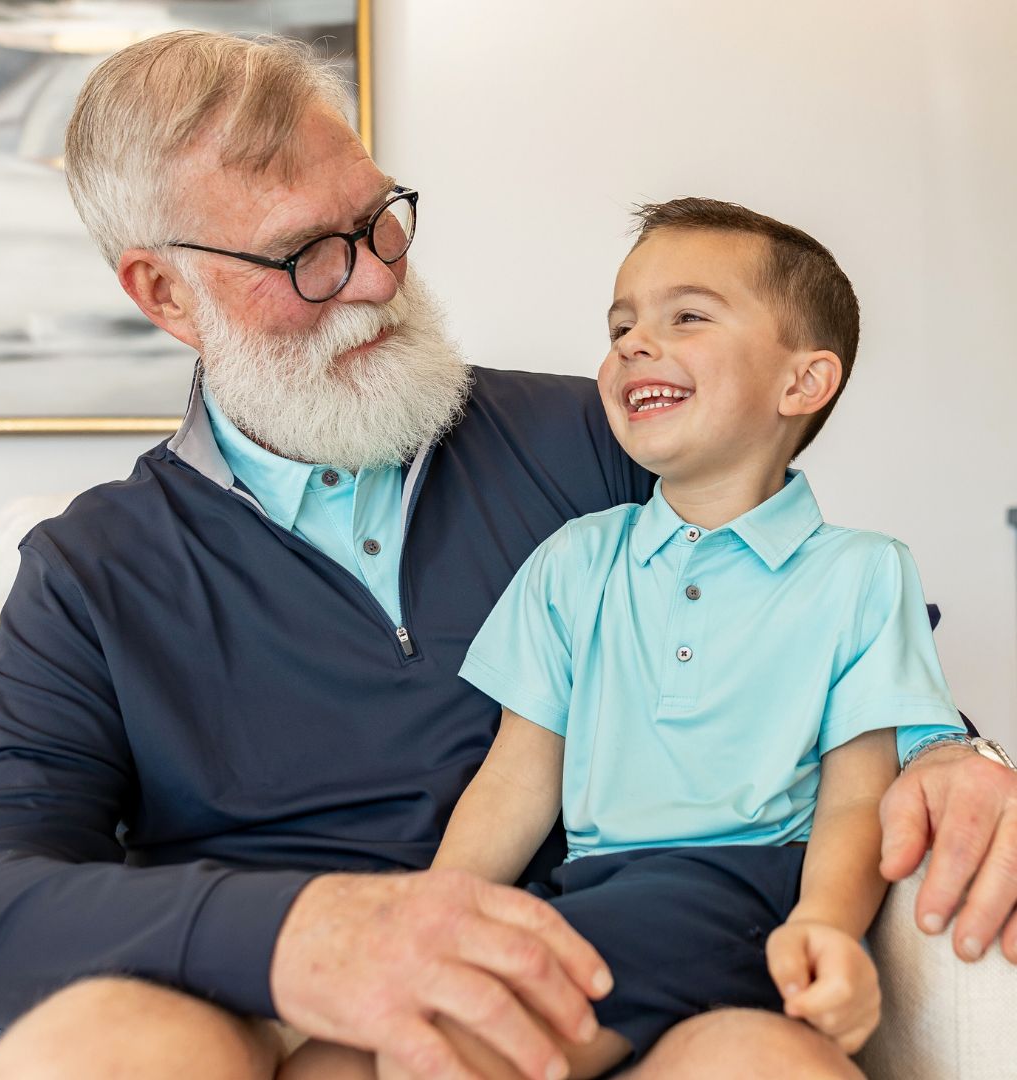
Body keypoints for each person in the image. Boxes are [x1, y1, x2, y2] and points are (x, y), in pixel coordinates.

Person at [0, 30, 1014, 1080]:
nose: (371, 280)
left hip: (603, 979)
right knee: (112, 1054)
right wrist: (297, 938)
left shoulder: (599, 441)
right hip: (259, 1013)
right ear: (168, 294)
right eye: (307, 254)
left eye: (380, 221)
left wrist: (957, 763)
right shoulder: (93, 567)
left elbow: (831, 655)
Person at [265, 199, 968, 1080]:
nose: (635, 342)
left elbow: (858, 798)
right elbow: (517, 779)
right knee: (330, 1060)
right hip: (589, 897)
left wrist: (826, 926)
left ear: (802, 383)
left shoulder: (863, 574)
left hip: (737, 897)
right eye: (621, 323)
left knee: (422, 1055)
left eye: (687, 316)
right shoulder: (575, 560)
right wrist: (430, 916)